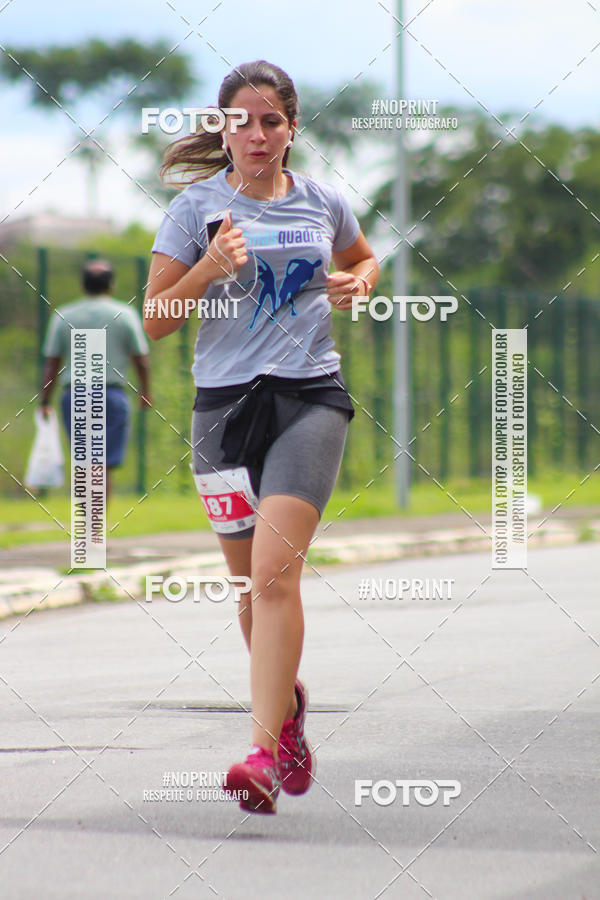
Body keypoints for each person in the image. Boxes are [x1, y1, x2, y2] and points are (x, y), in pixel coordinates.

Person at [145, 60, 378, 814]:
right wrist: (209, 267)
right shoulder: (195, 210)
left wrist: (362, 281)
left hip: (310, 397)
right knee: (250, 587)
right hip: (221, 412)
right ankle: (288, 715)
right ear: (222, 129)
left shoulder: (324, 201)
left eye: (270, 120)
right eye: (240, 121)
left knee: (276, 574)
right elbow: (154, 318)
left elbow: (362, 256)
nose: (255, 133)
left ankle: (260, 751)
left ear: (291, 129)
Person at [41, 259, 152, 504]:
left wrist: (44, 400)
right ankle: (95, 532)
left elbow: (52, 363)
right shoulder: (124, 314)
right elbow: (141, 359)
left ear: (83, 285)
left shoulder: (63, 315)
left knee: (84, 463)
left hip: (75, 394)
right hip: (110, 395)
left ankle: (87, 526)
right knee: (102, 464)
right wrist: (145, 392)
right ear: (111, 284)